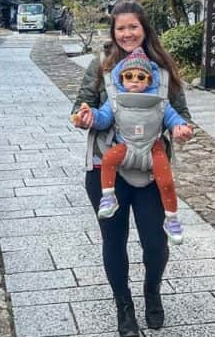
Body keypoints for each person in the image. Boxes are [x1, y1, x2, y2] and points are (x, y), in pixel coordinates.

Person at [71, 1, 194, 337]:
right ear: (113, 32)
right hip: (105, 165)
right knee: (114, 239)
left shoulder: (163, 69)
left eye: (133, 27)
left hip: (150, 166)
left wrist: (183, 130)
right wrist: (82, 116)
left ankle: (152, 290)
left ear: (145, 29)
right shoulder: (101, 66)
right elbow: (80, 104)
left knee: (155, 242)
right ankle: (123, 305)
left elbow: (181, 113)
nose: (126, 34)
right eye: (120, 28)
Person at [72, 47, 190, 244]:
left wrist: (181, 128)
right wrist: (90, 116)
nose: (134, 80)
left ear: (150, 80)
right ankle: (109, 196)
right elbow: (102, 118)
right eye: (129, 76)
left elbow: (176, 118)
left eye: (141, 77)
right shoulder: (115, 100)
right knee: (109, 158)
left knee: (166, 178)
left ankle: (171, 217)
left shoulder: (161, 102)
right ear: (121, 78)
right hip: (125, 144)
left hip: (153, 146)